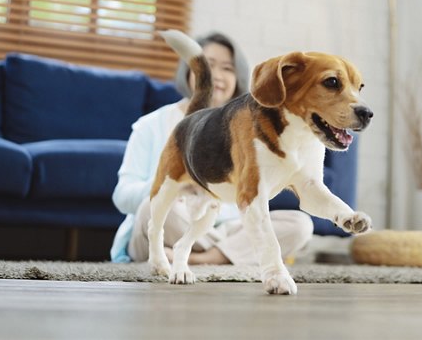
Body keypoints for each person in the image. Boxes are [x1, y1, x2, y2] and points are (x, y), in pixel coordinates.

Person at [110, 32, 314, 264]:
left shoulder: (246, 129)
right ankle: (227, 256)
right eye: (208, 65)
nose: (216, 75)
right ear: (190, 70)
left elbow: (250, 201)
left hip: (226, 228)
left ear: (238, 77)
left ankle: (201, 258)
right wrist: (173, 180)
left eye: (227, 68)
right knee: (151, 207)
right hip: (169, 223)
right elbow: (122, 197)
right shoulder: (150, 125)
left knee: (299, 225)